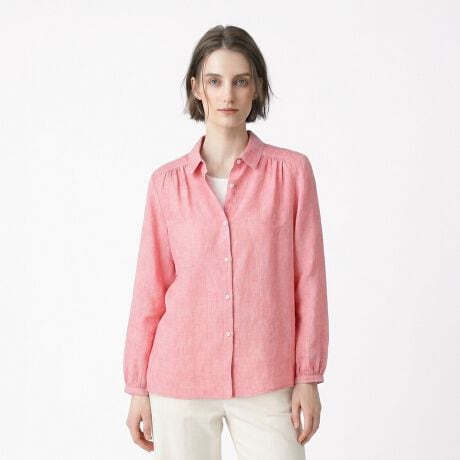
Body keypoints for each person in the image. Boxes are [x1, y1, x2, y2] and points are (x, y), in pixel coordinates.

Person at [123, 24, 329, 459]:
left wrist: (308, 376)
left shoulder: (291, 174)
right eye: (215, 81)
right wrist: (138, 386)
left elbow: (309, 282)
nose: (227, 95)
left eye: (240, 81)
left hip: (267, 376)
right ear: (196, 88)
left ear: (257, 88)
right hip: (179, 378)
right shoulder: (166, 184)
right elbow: (149, 290)